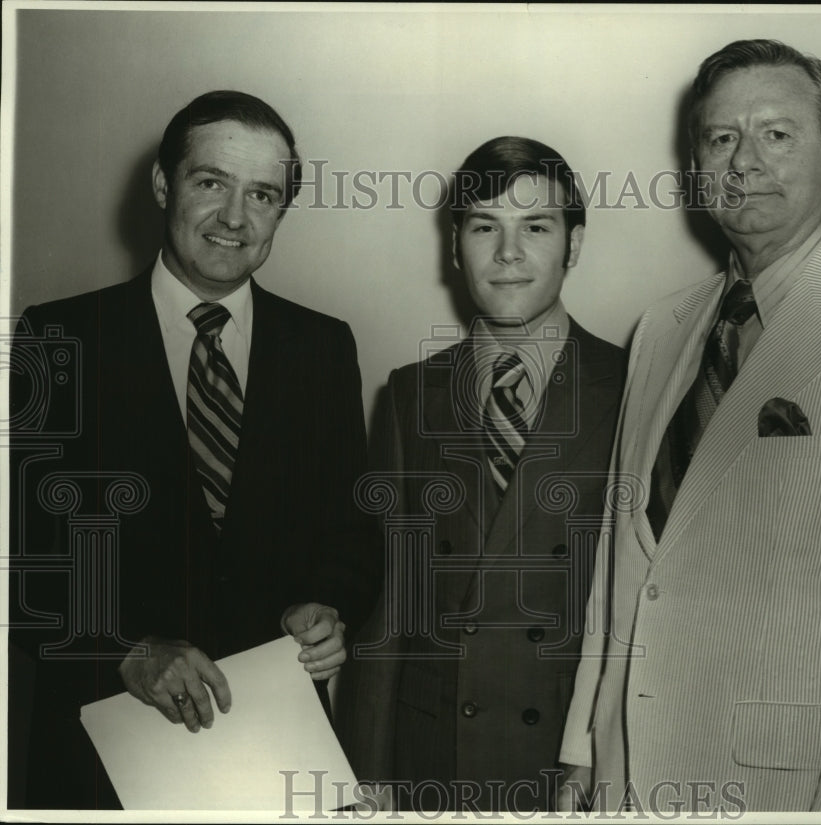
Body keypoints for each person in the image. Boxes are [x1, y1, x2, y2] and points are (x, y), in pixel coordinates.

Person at [558, 40, 821, 813]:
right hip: (624, 780)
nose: (743, 162)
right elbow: (622, 562)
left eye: (776, 134)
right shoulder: (662, 327)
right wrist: (583, 750)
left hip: (777, 791)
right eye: (721, 138)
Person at [8, 90, 377, 809]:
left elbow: (353, 536)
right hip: (102, 756)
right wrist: (126, 649)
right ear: (161, 184)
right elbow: (23, 556)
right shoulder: (61, 338)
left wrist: (330, 608)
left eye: (263, 194)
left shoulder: (323, 346)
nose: (235, 217)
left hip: (273, 748)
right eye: (211, 182)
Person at [339, 136, 626, 812]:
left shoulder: (632, 384)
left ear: (574, 243)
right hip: (433, 757)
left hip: (566, 760)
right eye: (483, 227)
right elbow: (390, 603)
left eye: (536, 227)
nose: (508, 253)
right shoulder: (409, 395)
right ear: (454, 244)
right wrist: (366, 777)